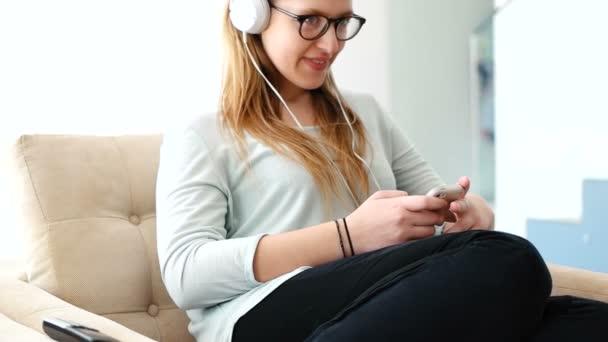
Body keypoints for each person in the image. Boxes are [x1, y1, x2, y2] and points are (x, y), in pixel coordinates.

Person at [155, 0, 608, 341]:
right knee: (512, 260)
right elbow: (185, 273)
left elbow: (439, 215)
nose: (330, 43)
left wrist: (466, 214)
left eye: (341, 23)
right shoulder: (205, 132)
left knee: (587, 323)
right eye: (310, 20)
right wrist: (348, 236)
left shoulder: (364, 113)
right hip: (261, 315)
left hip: (377, 302)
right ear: (253, 14)